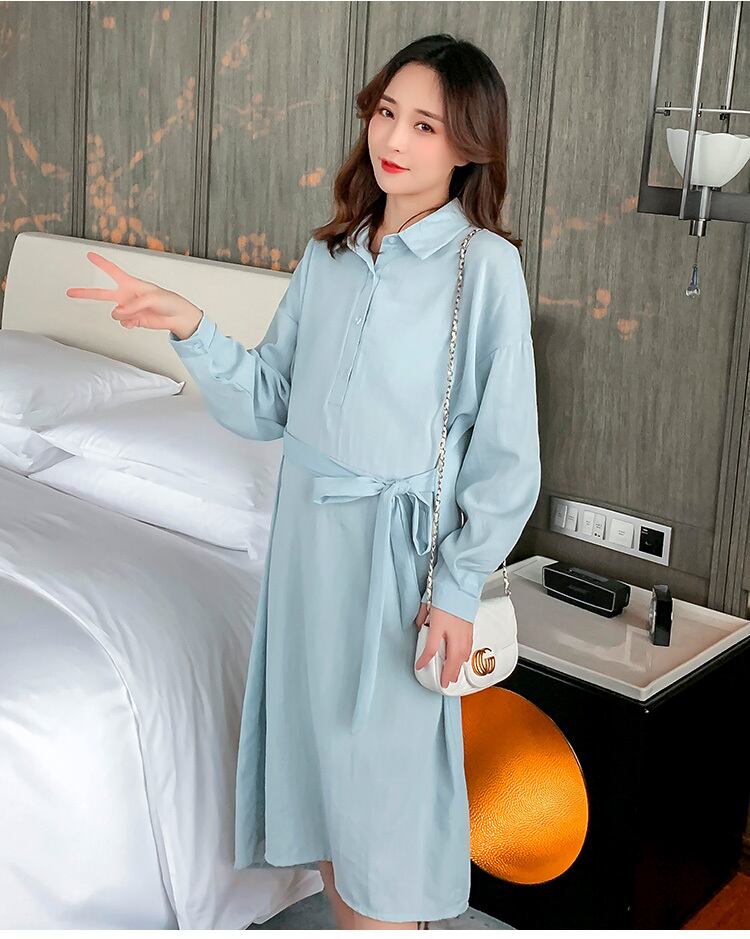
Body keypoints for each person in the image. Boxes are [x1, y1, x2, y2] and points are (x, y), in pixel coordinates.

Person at [65, 33, 541, 931]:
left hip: (396, 568)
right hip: (305, 559)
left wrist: (458, 585)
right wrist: (191, 325)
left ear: (468, 145)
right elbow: (268, 402)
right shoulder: (330, 255)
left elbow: (508, 454)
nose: (393, 138)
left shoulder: (484, 268)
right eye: (387, 112)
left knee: (380, 827)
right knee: (326, 804)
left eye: (426, 124)